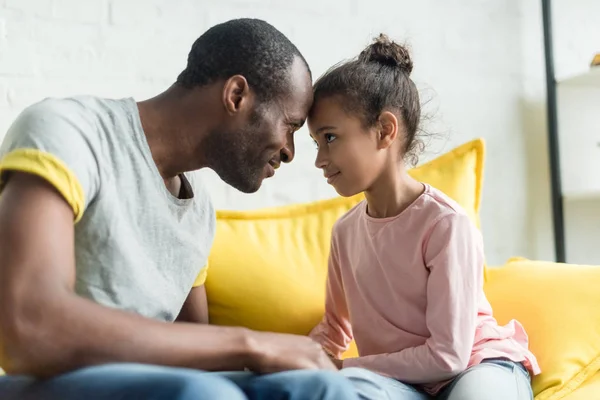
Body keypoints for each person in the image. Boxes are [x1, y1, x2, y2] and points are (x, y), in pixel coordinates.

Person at [0, 18, 359, 400]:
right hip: (48, 383)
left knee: (319, 388)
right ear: (236, 95)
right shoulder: (70, 132)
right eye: (289, 125)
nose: (289, 151)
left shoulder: (198, 210)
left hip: (163, 387)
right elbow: (27, 325)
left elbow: (198, 351)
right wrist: (252, 343)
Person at [307, 34, 541, 400]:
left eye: (330, 138)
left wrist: (343, 367)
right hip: (402, 382)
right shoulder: (345, 233)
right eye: (316, 143)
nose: (319, 159)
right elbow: (334, 331)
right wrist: (294, 360)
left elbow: (448, 357)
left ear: (385, 130)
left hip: (474, 365)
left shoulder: (445, 225)